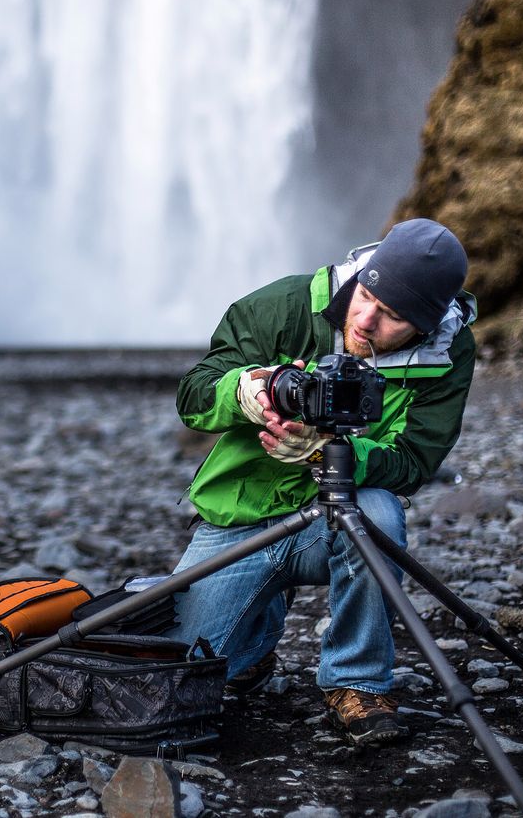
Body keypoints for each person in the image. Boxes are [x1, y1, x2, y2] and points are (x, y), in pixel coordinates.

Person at [167, 217, 476, 746]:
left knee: (379, 511)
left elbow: (413, 461)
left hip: (336, 516)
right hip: (238, 514)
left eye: (394, 317)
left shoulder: (447, 355)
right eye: (367, 297)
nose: (368, 321)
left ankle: (357, 682)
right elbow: (192, 395)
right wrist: (244, 393)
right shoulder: (285, 305)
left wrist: (330, 453)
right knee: (175, 674)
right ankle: (259, 638)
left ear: (427, 323)